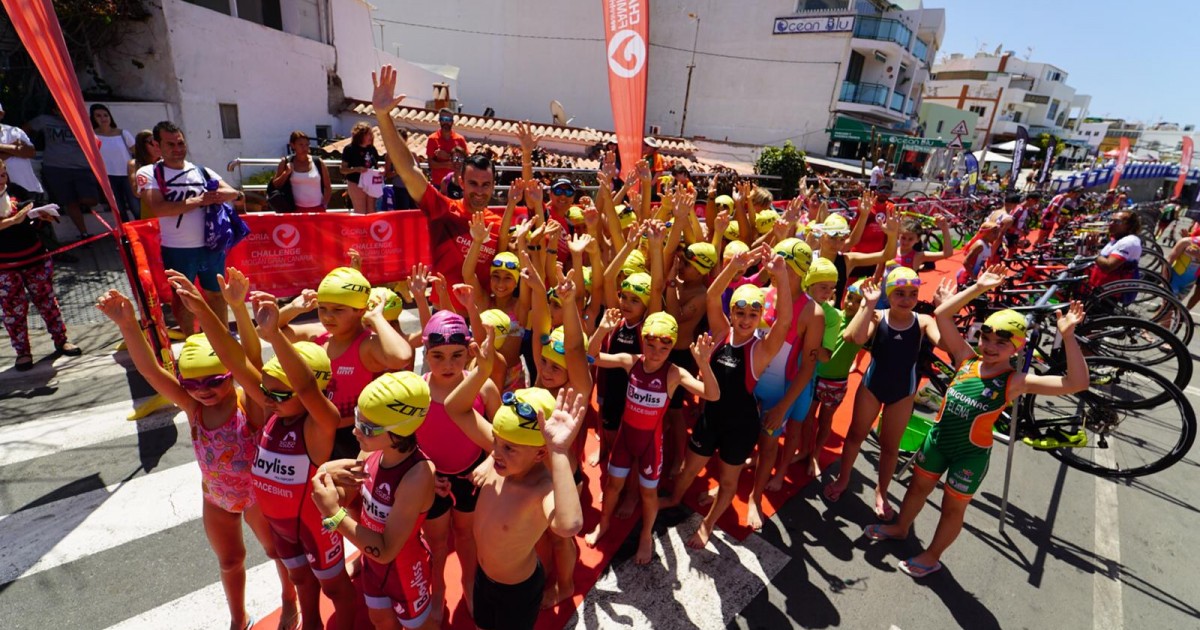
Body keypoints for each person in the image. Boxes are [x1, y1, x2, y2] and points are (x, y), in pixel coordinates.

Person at [96, 278, 299, 630]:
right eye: (192, 383)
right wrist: (128, 325)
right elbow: (150, 371)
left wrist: (235, 309)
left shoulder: (248, 406)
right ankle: (238, 618)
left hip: (256, 496)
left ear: (231, 377)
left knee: (276, 551)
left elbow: (249, 360)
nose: (202, 391)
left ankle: (289, 598)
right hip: (216, 498)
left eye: (213, 381)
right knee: (230, 561)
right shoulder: (193, 409)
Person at [864, 268, 1087, 578]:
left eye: (1001, 343)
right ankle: (901, 527)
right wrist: (978, 288)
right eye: (986, 337)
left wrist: (1068, 337)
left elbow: (1075, 382)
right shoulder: (966, 359)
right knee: (916, 489)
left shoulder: (1015, 381)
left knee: (952, 508)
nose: (990, 346)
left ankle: (932, 555)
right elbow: (942, 314)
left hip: (969, 454)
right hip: (938, 442)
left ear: (1018, 347)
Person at [442, 332, 587, 630]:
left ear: (539, 455)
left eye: (509, 448)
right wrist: (481, 372)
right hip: (483, 576)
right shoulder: (502, 456)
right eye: (496, 440)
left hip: (516, 590)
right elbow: (454, 408)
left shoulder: (541, 489)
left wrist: (559, 452)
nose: (495, 452)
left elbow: (569, 525)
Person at [663, 253, 794, 547]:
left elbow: (784, 321)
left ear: (760, 316)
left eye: (752, 314)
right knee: (689, 468)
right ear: (732, 313)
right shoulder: (722, 333)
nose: (746, 320)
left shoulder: (760, 349)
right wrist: (733, 269)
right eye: (740, 313)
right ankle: (673, 498)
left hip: (740, 425)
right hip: (711, 418)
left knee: (727, 481)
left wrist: (781, 275)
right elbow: (712, 296)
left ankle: (708, 524)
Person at [585, 311, 719, 564]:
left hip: (650, 444)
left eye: (664, 347)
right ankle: (603, 524)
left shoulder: (674, 373)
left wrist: (703, 364)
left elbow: (712, 395)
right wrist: (602, 330)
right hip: (626, 438)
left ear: (671, 347)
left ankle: (646, 536)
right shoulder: (631, 361)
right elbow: (592, 356)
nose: (656, 352)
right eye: (651, 344)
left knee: (649, 495)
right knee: (613, 486)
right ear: (642, 340)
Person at [371, 66, 513, 302]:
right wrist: (383, 117)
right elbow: (408, 170)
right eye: (473, 183)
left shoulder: (499, 226)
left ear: (493, 185)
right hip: (445, 318)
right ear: (461, 181)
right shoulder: (443, 210)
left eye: (485, 185)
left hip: (483, 320)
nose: (479, 191)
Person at [311, 372, 439, 630]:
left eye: (368, 428)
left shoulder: (418, 475)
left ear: (400, 432)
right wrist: (324, 472)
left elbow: (387, 550)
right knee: (379, 619)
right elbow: (348, 494)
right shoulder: (372, 449)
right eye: (358, 417)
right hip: (372, 563)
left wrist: (333, 515)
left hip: (403, 567)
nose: (356, 430)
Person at [824, 266, 942, 521]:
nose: (907, 299)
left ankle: (882, 491)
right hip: (872, 387)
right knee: (856, 434)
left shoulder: (923, 322)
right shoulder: (878, 316)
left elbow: (944, 342)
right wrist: (868, 306)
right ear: (889, 293)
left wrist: (944, 311)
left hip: (903, 392)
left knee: (890, 447)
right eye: (899, 293)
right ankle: (844, 478)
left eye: (913, 293)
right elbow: (853, 337)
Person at [413, 310, 501, 624]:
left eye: (457, 356)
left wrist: (491, 462)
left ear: (470, 353)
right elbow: (405, 441)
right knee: (436, 543)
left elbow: (502, 436)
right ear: (425, 353)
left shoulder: (484, 388)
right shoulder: (417, 392)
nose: (448, 365)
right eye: (437, 356)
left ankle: (468, 585)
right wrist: (425, 471)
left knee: (466, 536)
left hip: (470, 474)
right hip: (430, 481)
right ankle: (438, 593)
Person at [276, 266, 415, 460]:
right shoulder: (317, 336)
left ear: (360, 311)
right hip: (313, 430)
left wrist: (376, 318)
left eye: (338, 310)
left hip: (353, 437)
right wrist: (294, 308)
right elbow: (268, 331)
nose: (327, 316)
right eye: (322, 308)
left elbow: (401, 356)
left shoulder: (367, 345)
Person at [135, 120, 242, 336]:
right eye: (170, 144)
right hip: (177, 249)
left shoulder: (201, 170)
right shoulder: (149, 172)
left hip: (211, 246)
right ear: (158, 146)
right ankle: (190, 340)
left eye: (180, 144)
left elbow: (233, 192)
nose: (177, 149)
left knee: (216, 294)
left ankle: (221, 336)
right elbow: (158, 208)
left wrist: (219, 196)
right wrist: (200, 200)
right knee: (184, 298)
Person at [0, 159, 81, 370]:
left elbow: (30, 214)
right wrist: (12, 221)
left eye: (2, 174)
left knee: (47, 301)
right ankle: (23, 352)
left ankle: (61, 340)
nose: (1, 180)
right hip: (5, 266)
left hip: (34, 257)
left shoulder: (16, 190)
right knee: (13, 310)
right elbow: (16, 220)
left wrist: (41, 217)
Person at [27, 104, 98, 239]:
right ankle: (84, 233)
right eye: (61, 109)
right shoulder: (44, 120)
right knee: (70, 202)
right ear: (55, 110)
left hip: (82, 167)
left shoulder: (83, 121)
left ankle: (83, 205)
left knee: (90, 199)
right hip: (56, 167)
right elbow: (25, 129)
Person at [90, 103, 138, 221]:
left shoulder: (123, 133)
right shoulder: (92, 136)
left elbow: (136, 151)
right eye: (99, 116)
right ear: (93, 118)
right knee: (119, 208)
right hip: (108, 177)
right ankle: (126, 234)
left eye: (106, 115)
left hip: (127, 175)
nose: (103, 118)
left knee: (135, 205)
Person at [272, 131, 332, 212]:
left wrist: (324, 205)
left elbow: (328, 187)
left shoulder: (318, 162)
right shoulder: (285, 162)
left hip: (318, 208)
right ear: (293, 145)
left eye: (307, 144)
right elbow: (275, 186)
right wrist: (286, 173)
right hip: (295, 209)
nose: (304, 148)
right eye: (301, 145)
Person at [0, 102, 45, 201]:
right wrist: (15, 149)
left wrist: (2, 147)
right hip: (2, 194)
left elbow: (30, 152)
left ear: (2, 114)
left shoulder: (14, 131)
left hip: (27, 188)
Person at [1089, 210, 1142, 289]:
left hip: (1107, 291)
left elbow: (1108, 266)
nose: (1111, 224)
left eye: (1117, 222)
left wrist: (1093, 249)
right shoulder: (1117, 238)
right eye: (1111, 220)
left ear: (1128, 226)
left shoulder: (1129, 242)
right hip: (1098, 285)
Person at [341, 122, 382, 213]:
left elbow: (375, 165)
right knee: (360, 210)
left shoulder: (372, 149)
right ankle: (360, 228)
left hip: (371, 182)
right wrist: (357, 169)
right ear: (360, 135)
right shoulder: (349, 149)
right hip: (355, 182)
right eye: (368, 134)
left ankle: (371, 227)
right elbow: (343, 170)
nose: (371, 137)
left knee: (372, 210)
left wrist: (380, 171)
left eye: (371, 134)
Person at [426, 108, 468, 187]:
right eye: (443, 119)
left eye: (448, 119)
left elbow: (466, 162)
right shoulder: (432, 139)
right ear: (439, 120)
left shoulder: (460, 139)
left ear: (452, 121)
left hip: (456, 183)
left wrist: (447, 156)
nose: (446, 122)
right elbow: (431, 164)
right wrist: (448, 164)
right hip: (438, 184)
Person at [128, 129, 160, 217]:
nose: (157, 146)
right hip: (149, 211)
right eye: (152, 143)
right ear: (142, 146)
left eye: (158, 143)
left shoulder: (166, 162)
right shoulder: (134, 164)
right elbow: (136, 192)